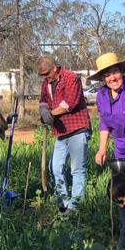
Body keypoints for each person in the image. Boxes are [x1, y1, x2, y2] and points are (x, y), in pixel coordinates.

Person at [37, 54, 92, 213]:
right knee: (55, 167)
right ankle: (63, 202)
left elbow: (70, 103)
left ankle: (75, 206)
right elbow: (43, 99)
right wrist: (43, 109)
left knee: (77, 169)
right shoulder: (46, 83)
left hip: (76, 128)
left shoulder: (70, 78)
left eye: (47, 74)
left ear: (54, 68)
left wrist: (51, 114)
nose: (46, 78)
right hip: (60, 132)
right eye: (43, 76)